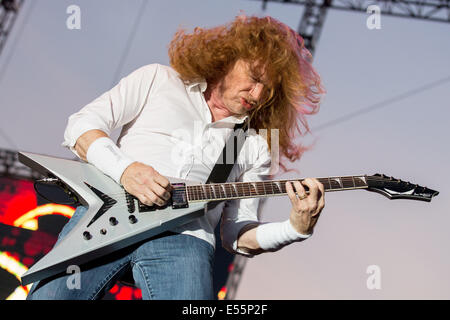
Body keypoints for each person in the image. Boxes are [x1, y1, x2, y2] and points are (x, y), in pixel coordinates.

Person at [27, 15, 326, 300]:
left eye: (268, 89)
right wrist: (126, 170)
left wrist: (296, 228)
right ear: (228, 56)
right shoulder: (159, 79)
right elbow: (81, 126)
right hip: (105, 217)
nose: (258, 94)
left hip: (185, 240)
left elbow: (237, 233)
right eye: (255, 77)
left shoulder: (254, 144)